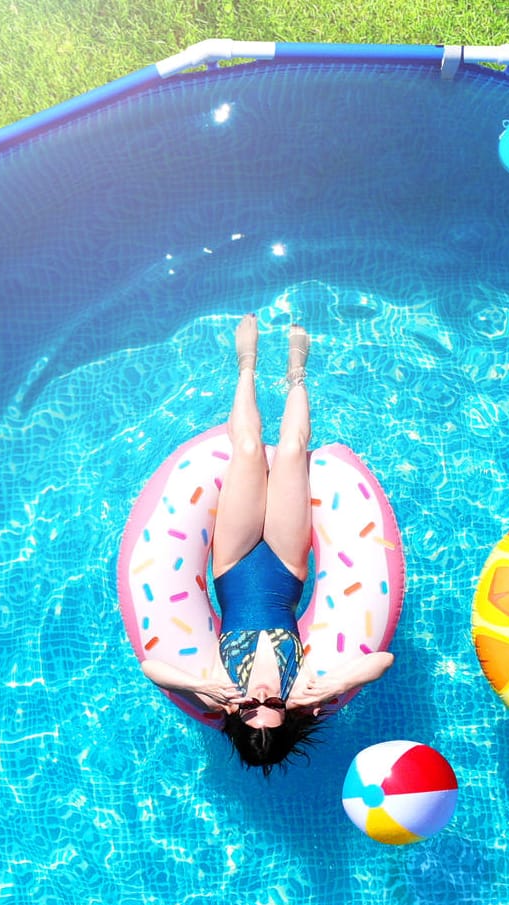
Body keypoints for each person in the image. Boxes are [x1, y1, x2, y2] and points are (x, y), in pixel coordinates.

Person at [140, 314, 395, 773]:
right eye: (270, 705)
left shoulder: (217, 692)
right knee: (294, 451)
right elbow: (382, 659)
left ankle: (247, 365)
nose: (258, 698)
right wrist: (330, 687)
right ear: (288, 716)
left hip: (233, 565)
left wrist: (208, 691)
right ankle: (298, 371)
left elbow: (151, 669)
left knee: (250, 451)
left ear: (235, 718)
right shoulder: (307, 691)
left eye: (248, 709)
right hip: (284, 566)